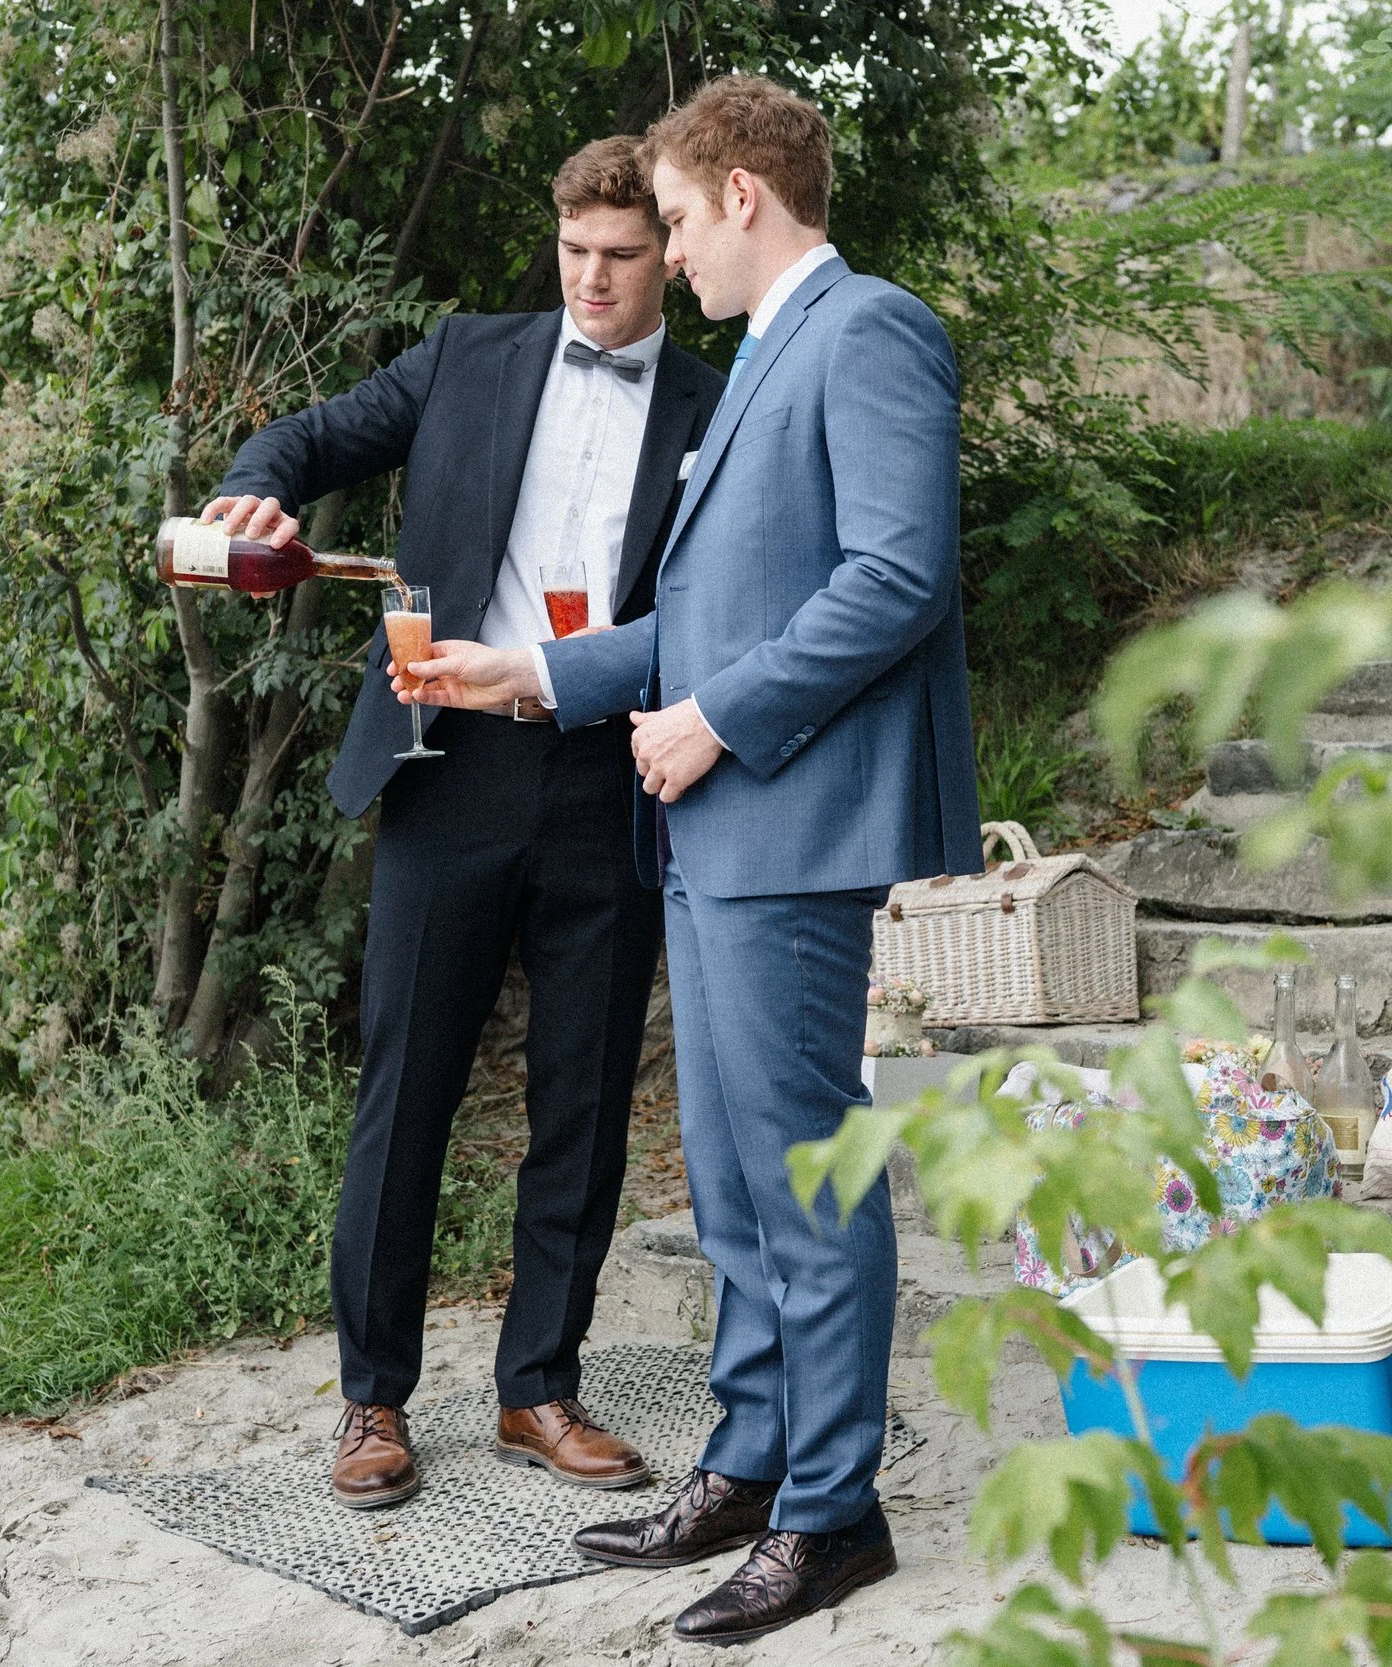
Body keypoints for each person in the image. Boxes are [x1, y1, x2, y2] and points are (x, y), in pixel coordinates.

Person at [401, 74, 982, 1644]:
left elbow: (897, 576)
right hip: (716, 821)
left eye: (668, 222)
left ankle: (831, 1509)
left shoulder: (867, 328)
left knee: (804, 1172)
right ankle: (745, 1458)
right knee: (729, 1179)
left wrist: (716, 717)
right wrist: (529, 674)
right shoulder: (762, 361)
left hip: (792, 817)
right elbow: (705, 610)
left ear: (740, 194)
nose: (663, 257)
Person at [200, 137, 728, 1511]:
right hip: (446, 765)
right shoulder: (466, 353)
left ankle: (537, 1386)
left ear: (668, 253)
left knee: (587, 1092)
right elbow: (315, 437)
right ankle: (372, 1400)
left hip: (608, 770)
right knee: (408, 1087)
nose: (594, 280)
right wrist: (253, 486)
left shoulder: (712, 402)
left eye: (620, 254)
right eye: (574, 254)